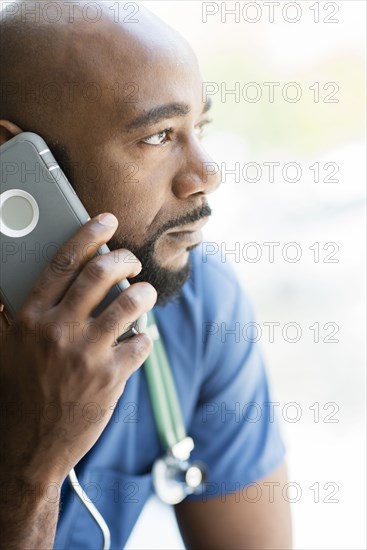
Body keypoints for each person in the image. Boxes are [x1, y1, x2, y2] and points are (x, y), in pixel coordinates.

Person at [0, 1, 292, 548]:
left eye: (199, 126)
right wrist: (29, 473)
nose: (207, 175)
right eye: (157, 135)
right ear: (10, 159)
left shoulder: (197, 300)